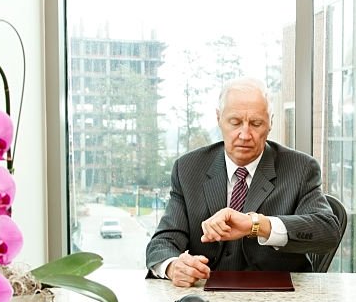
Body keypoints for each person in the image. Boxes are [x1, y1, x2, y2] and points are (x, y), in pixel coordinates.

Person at [146, 77, 341, 287]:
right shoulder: (188, 168)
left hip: (278, 301)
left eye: (256, 123)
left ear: (270, 123)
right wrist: (174, 266)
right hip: (205, 297)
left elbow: (327, 231)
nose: (245, 134)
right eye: (235, 122)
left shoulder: (300, 168)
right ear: (219, 119)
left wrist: (256, 225)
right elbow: (162, 242)